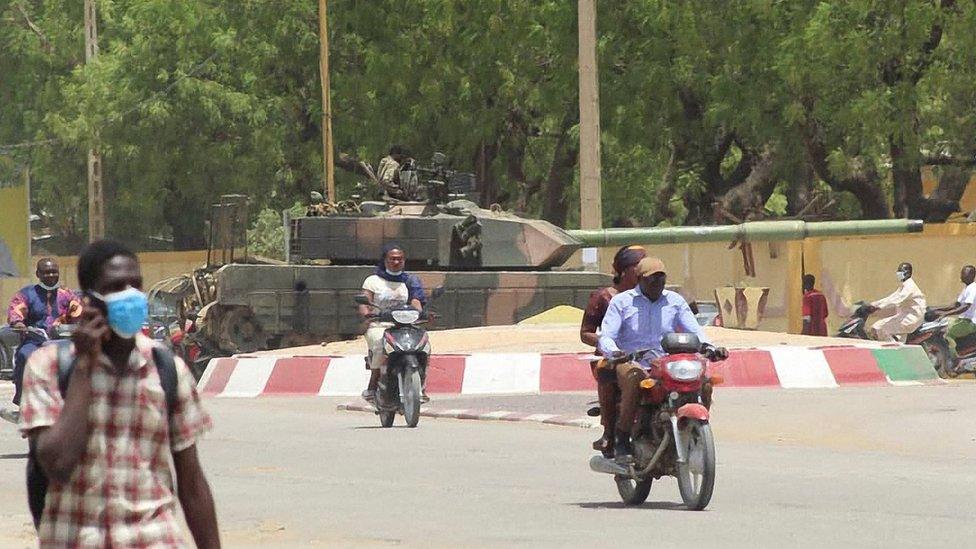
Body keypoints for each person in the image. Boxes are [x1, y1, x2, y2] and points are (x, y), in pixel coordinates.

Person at [19, 240, 220, 547]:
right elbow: (57, 464)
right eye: (115, 287)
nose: (130, 295)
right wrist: (85, 366)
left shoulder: (168, 369)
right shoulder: (49, 367)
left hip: (154, 538)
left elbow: (192, 483)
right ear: (90, 299)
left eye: (135, 285)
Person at [598, 257, 728, 461]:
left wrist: (710, 348)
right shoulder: (622, 302)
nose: (658, 283)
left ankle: (694, 432)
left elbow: (695, 330)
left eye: (661, 278)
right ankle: (622, 438)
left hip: (667, 362)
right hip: (631, 361)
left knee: (704, 383)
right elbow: (606, 336)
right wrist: (614, 352)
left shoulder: (675, 301)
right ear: (640, 279)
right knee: (634, 379)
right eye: (652, 279)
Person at [579, 245, 646, 456]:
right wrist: (608, 345)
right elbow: (585, 333)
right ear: (624, 271)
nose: (644, 273)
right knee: (606, 370)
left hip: (646, 355)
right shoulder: (604, 297)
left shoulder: (651, 295)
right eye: (638, 267)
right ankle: (609, 433)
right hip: (616, 357)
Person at [2, 258, 81, 422]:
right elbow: (16, 312)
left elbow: (80, 314)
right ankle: (23, 403)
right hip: (35, 340)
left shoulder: (68, 295)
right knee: (24, 355)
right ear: (38, 274)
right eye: (46, 272)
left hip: (63, 341)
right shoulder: (26, 294)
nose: (51, 275)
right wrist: (18, 323)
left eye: (54, 272)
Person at [360, 244, 427, 402]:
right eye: (392, 259)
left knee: (425, 345)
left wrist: (420, 314)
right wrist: (367, 314)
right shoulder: (373, 281)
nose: (396, 262)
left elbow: (416, 301)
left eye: (399, 259)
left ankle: (421, 387)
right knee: (379, 344)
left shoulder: (410, 281)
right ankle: (373, 384)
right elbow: (364, 302)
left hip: (405, 325)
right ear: (385, 260)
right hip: (380, 324)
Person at [868, 262, 926, 342]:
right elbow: (891, 297)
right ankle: (900, 349)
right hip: (904, 316)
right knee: (879, 328)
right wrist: (873, 304)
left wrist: (879, 307)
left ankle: (893, 350)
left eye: (901, 271)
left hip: (911, 318)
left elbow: (898, 299)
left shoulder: (909, 286)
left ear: (907, 273)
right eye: (898, 270)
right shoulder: (904, 286)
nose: (898, 273)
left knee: (879, 328)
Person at [932, 265, 976, 353]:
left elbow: (965, 306)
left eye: (964, 273)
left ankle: (952, 359)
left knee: (946, 334)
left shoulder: (973, 289)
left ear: (972, 275)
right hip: (962, 320)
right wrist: (936, 309)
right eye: (962, 273)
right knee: (942, 324)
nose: (961, 276)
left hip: (969, 322)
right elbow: (956, 305)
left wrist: (946, 314)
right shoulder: (967, 288)